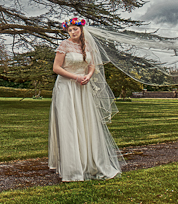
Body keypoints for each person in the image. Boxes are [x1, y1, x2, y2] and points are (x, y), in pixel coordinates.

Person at [48, 18, 124, 182]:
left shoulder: (88, 45)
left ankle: (89, 162)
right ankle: (72, 168)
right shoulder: (64, 45)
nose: (73, 32)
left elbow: (91, 65)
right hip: (66, 87)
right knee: (69, 123)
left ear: (81, 29)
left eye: (75, 29)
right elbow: (56, 68)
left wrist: (88, 76)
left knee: (85, 122)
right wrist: (76, 77)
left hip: (83, 87)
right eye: (70, 30)